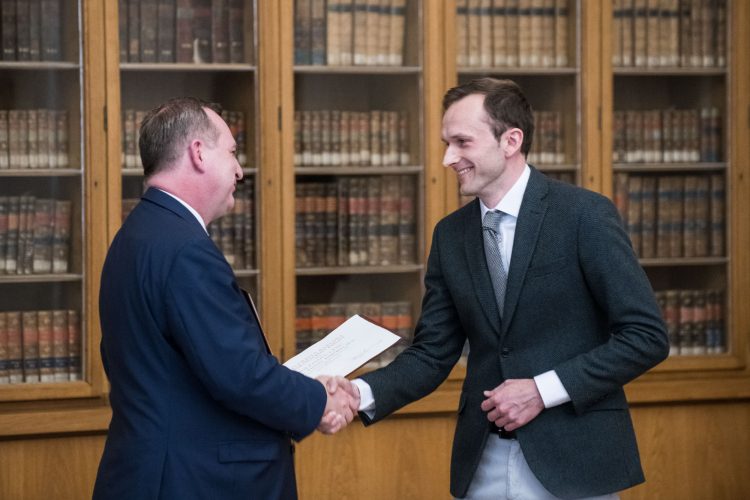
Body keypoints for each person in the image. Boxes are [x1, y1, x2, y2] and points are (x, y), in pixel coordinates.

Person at [348, 78, 670, 499]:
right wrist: (357, 395)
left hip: (575, 463)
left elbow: (646, 337)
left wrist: (542, 390)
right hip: (482, 462)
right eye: (446, 143)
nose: (448, 158)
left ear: (511, 140)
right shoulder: (450, 236)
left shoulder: (584, 215)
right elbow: (432, 353)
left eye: (462, 142)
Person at [93, 97, 357, 500]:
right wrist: (319, 398)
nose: (240, 170)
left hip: (148, 471)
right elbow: (239, 376)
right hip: (191, 480)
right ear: (198, 153)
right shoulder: (185, 250)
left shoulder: (137, 235)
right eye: (232, 152)